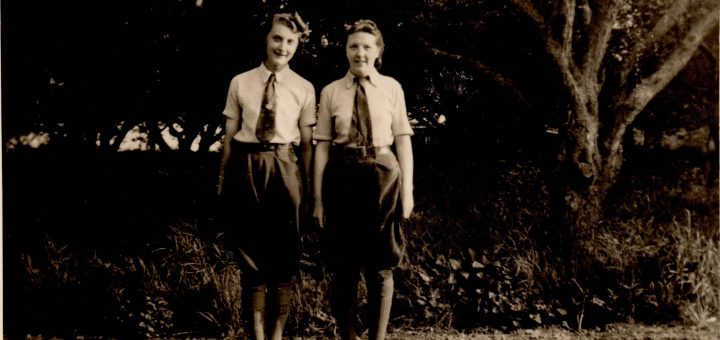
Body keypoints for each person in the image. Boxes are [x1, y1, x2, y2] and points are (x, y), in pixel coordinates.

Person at [312, 19, 414, 340]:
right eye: (354, 46)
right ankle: (349, 337)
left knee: (381, 265)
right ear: (345, 50)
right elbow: (322, 148)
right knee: (344, 266)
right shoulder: (330, 92)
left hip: (384, 176)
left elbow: (403, 140)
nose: (360, 53)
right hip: (343, 178)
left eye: (367, 47)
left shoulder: (392, 88)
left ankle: (377, 338)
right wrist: (317, 198)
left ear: (378, 51)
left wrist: (407, 192)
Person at [217, 12, 314, 340]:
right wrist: (223, 179)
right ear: (265, 39)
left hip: (283, 166)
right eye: (277, 38)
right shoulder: (240, 82)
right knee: (250, 257)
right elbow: (229, 136)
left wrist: (311, 187)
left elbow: (308, 144)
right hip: (245, 167)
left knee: (285, 256)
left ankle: (275, 336)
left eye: (290, 41)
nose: (283, 47)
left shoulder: (304, 87)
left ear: (298, 44)